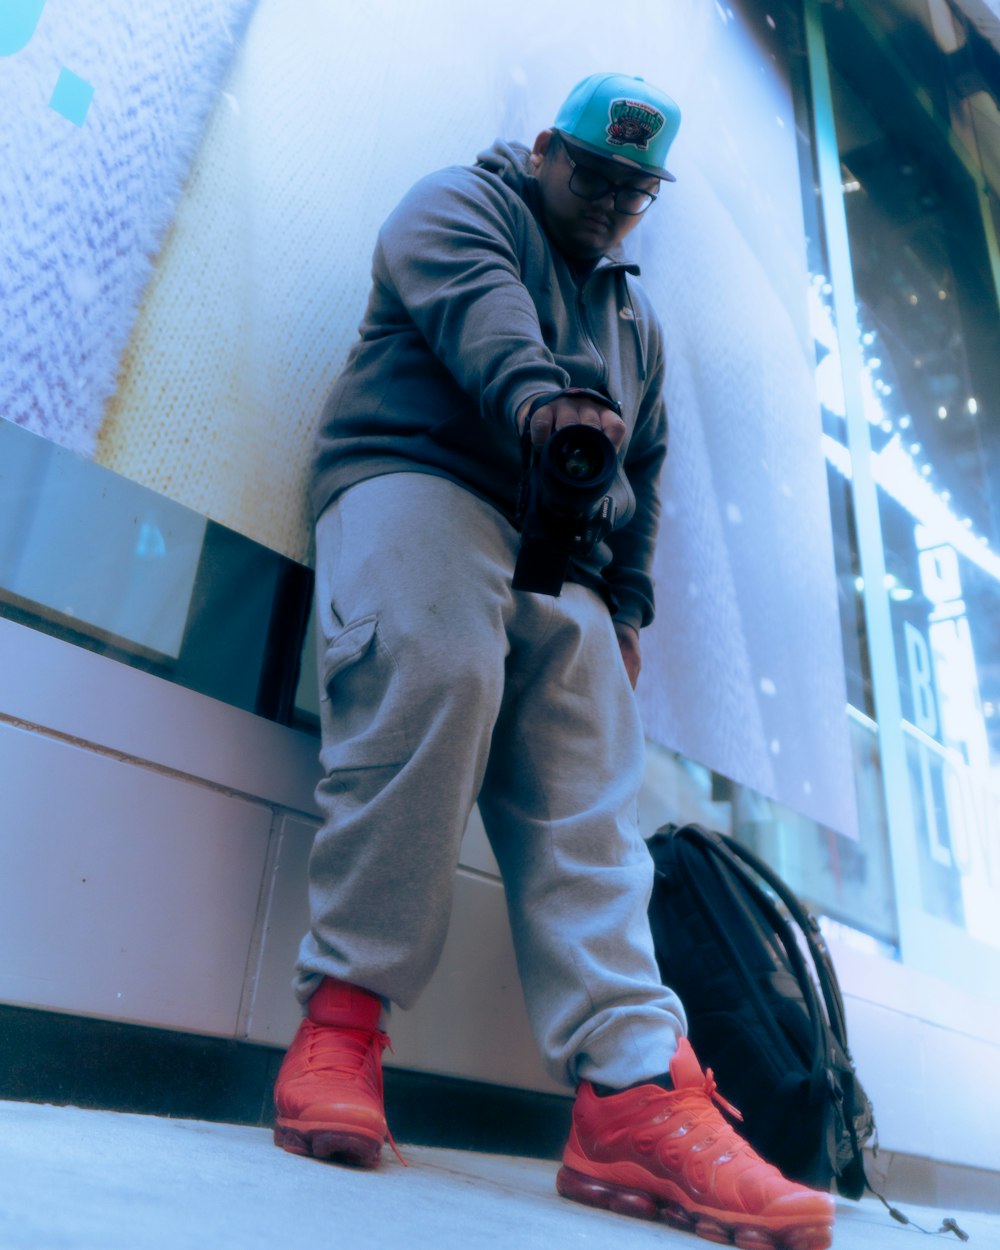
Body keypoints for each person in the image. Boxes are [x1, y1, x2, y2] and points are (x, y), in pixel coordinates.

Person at [273, 72, 836, 1250]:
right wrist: (543, 405)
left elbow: (652, 475)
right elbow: (486, 317)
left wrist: (623, 607)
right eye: (597, 176)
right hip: (417, 477)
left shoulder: (636, 322)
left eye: (638, 191)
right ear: (545, 152)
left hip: (557, 550)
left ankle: (634, 1090)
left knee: (592, 788)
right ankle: (341, 1019)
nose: (615, 205)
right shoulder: (458, 209)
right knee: (437, 671)